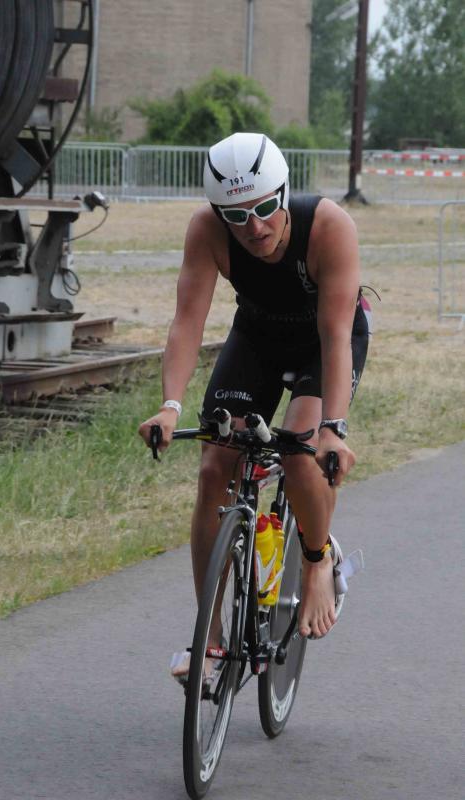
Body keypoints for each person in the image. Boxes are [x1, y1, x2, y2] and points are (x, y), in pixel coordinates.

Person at [138, 132, 370, 679]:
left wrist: (333, 429)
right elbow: (188, 322)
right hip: (258, 336)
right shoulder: (207, 230)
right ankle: (211, 639)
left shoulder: (329, 226)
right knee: (214, 467)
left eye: (265, 208)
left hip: (324, 341)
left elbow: (336, 336)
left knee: (300, 454)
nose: (255, 227)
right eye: (237, 216)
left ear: (284, 193)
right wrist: (170, 406)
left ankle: (317, 560)